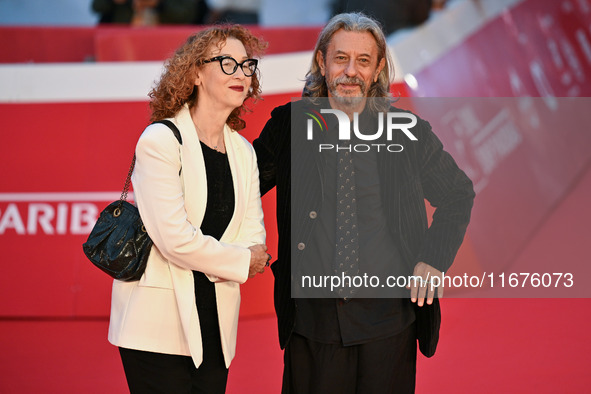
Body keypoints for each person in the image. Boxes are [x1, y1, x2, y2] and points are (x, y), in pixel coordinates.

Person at [253, 12, 475, 393]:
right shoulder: (288, 126)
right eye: (341, 58)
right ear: (322, 62)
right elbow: (241, 188)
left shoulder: (408, 133)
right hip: (312, 323)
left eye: (363, 61)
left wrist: (434, 258)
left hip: (389, 322)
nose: (350, 71)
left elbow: (458, 193)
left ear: (378, 70)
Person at [108, 25, 269, 393]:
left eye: (247, 66)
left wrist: (238, 255)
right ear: (195, 72)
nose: (241, 74)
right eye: (227, 63)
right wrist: (239, 261)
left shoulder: (244, 152)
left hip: (216, 325)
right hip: (155, 330)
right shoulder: (161, 140)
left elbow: (253, 234)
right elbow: (175, 240)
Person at [92, 0, 207, 25]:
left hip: (165, 43)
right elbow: (96, 7)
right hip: (122, 42)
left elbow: (188, 14)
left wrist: (159, 4)